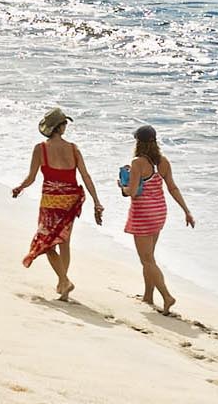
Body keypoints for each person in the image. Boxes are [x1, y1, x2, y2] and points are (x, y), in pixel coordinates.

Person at [12, 108, 100, 300]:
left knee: (47, 243)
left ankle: (64, 281)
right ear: (59, 127)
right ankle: (63, 285)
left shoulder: (40, 149)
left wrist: (20, 187)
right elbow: (85, 176)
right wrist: (96, 201)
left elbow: (32, 177)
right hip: (71, 200)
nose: (66, 126)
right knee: (64, 242)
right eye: (65, 124)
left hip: (51, 202)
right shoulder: (73, 148)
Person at [116, 124, 193, 312]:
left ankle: (167, 296)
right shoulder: (163, 162)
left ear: (138, 142)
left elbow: (133, 192)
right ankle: (148, 296)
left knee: (147, 260)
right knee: (149, 257)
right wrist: (186, 211)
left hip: (143, 214)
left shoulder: (137, 163)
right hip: (159, 213)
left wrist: (121, 187)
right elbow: (172, 188)